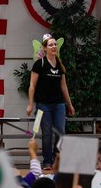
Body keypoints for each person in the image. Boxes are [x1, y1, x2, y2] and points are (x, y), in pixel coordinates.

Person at [26, 33, 75, 170]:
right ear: (45, 48)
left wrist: (69, 105)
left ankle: (57, 159)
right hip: (43, 105)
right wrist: (30, 104)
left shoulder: (60, 65)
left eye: (55, 44)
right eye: (50, 45)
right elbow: (32, 86)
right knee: (46, 133)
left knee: (60, 131)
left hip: (59, 104)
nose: (54, 46)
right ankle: (47, 161)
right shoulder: (39, 64)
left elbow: (64, 87)